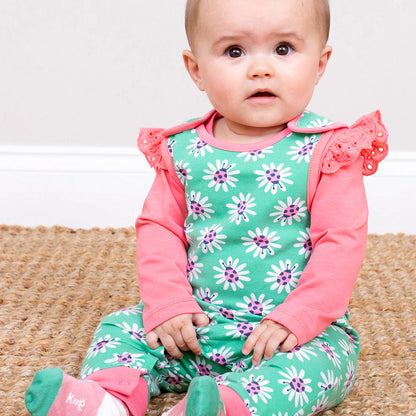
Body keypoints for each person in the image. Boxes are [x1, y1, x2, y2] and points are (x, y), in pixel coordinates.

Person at [25, 0, 389, 415]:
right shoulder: (182, 149)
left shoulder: (329, 150)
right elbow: (160, 228)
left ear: (320, 64)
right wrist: (169, 304)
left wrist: (300, 317)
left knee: (322, 364)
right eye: (235, 51)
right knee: (121, 327)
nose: (260, 69)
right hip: (196, 325)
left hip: (288, 335)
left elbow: (340, 244)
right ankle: (110, 399)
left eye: (283, 49)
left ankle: (224, 406)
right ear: (196, 69)